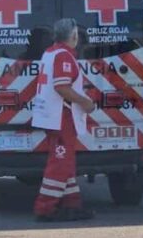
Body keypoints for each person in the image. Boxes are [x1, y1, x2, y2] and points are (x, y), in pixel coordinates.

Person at [31, 18, 97, 223]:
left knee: (66, 162)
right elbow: (62, 87)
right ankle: (45, 208)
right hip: (61, 117)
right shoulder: (64, 56)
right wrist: (85, 102)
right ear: (74, 36)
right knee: (59, 164)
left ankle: (72, 204)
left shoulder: (50, 52)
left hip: (51, 116)